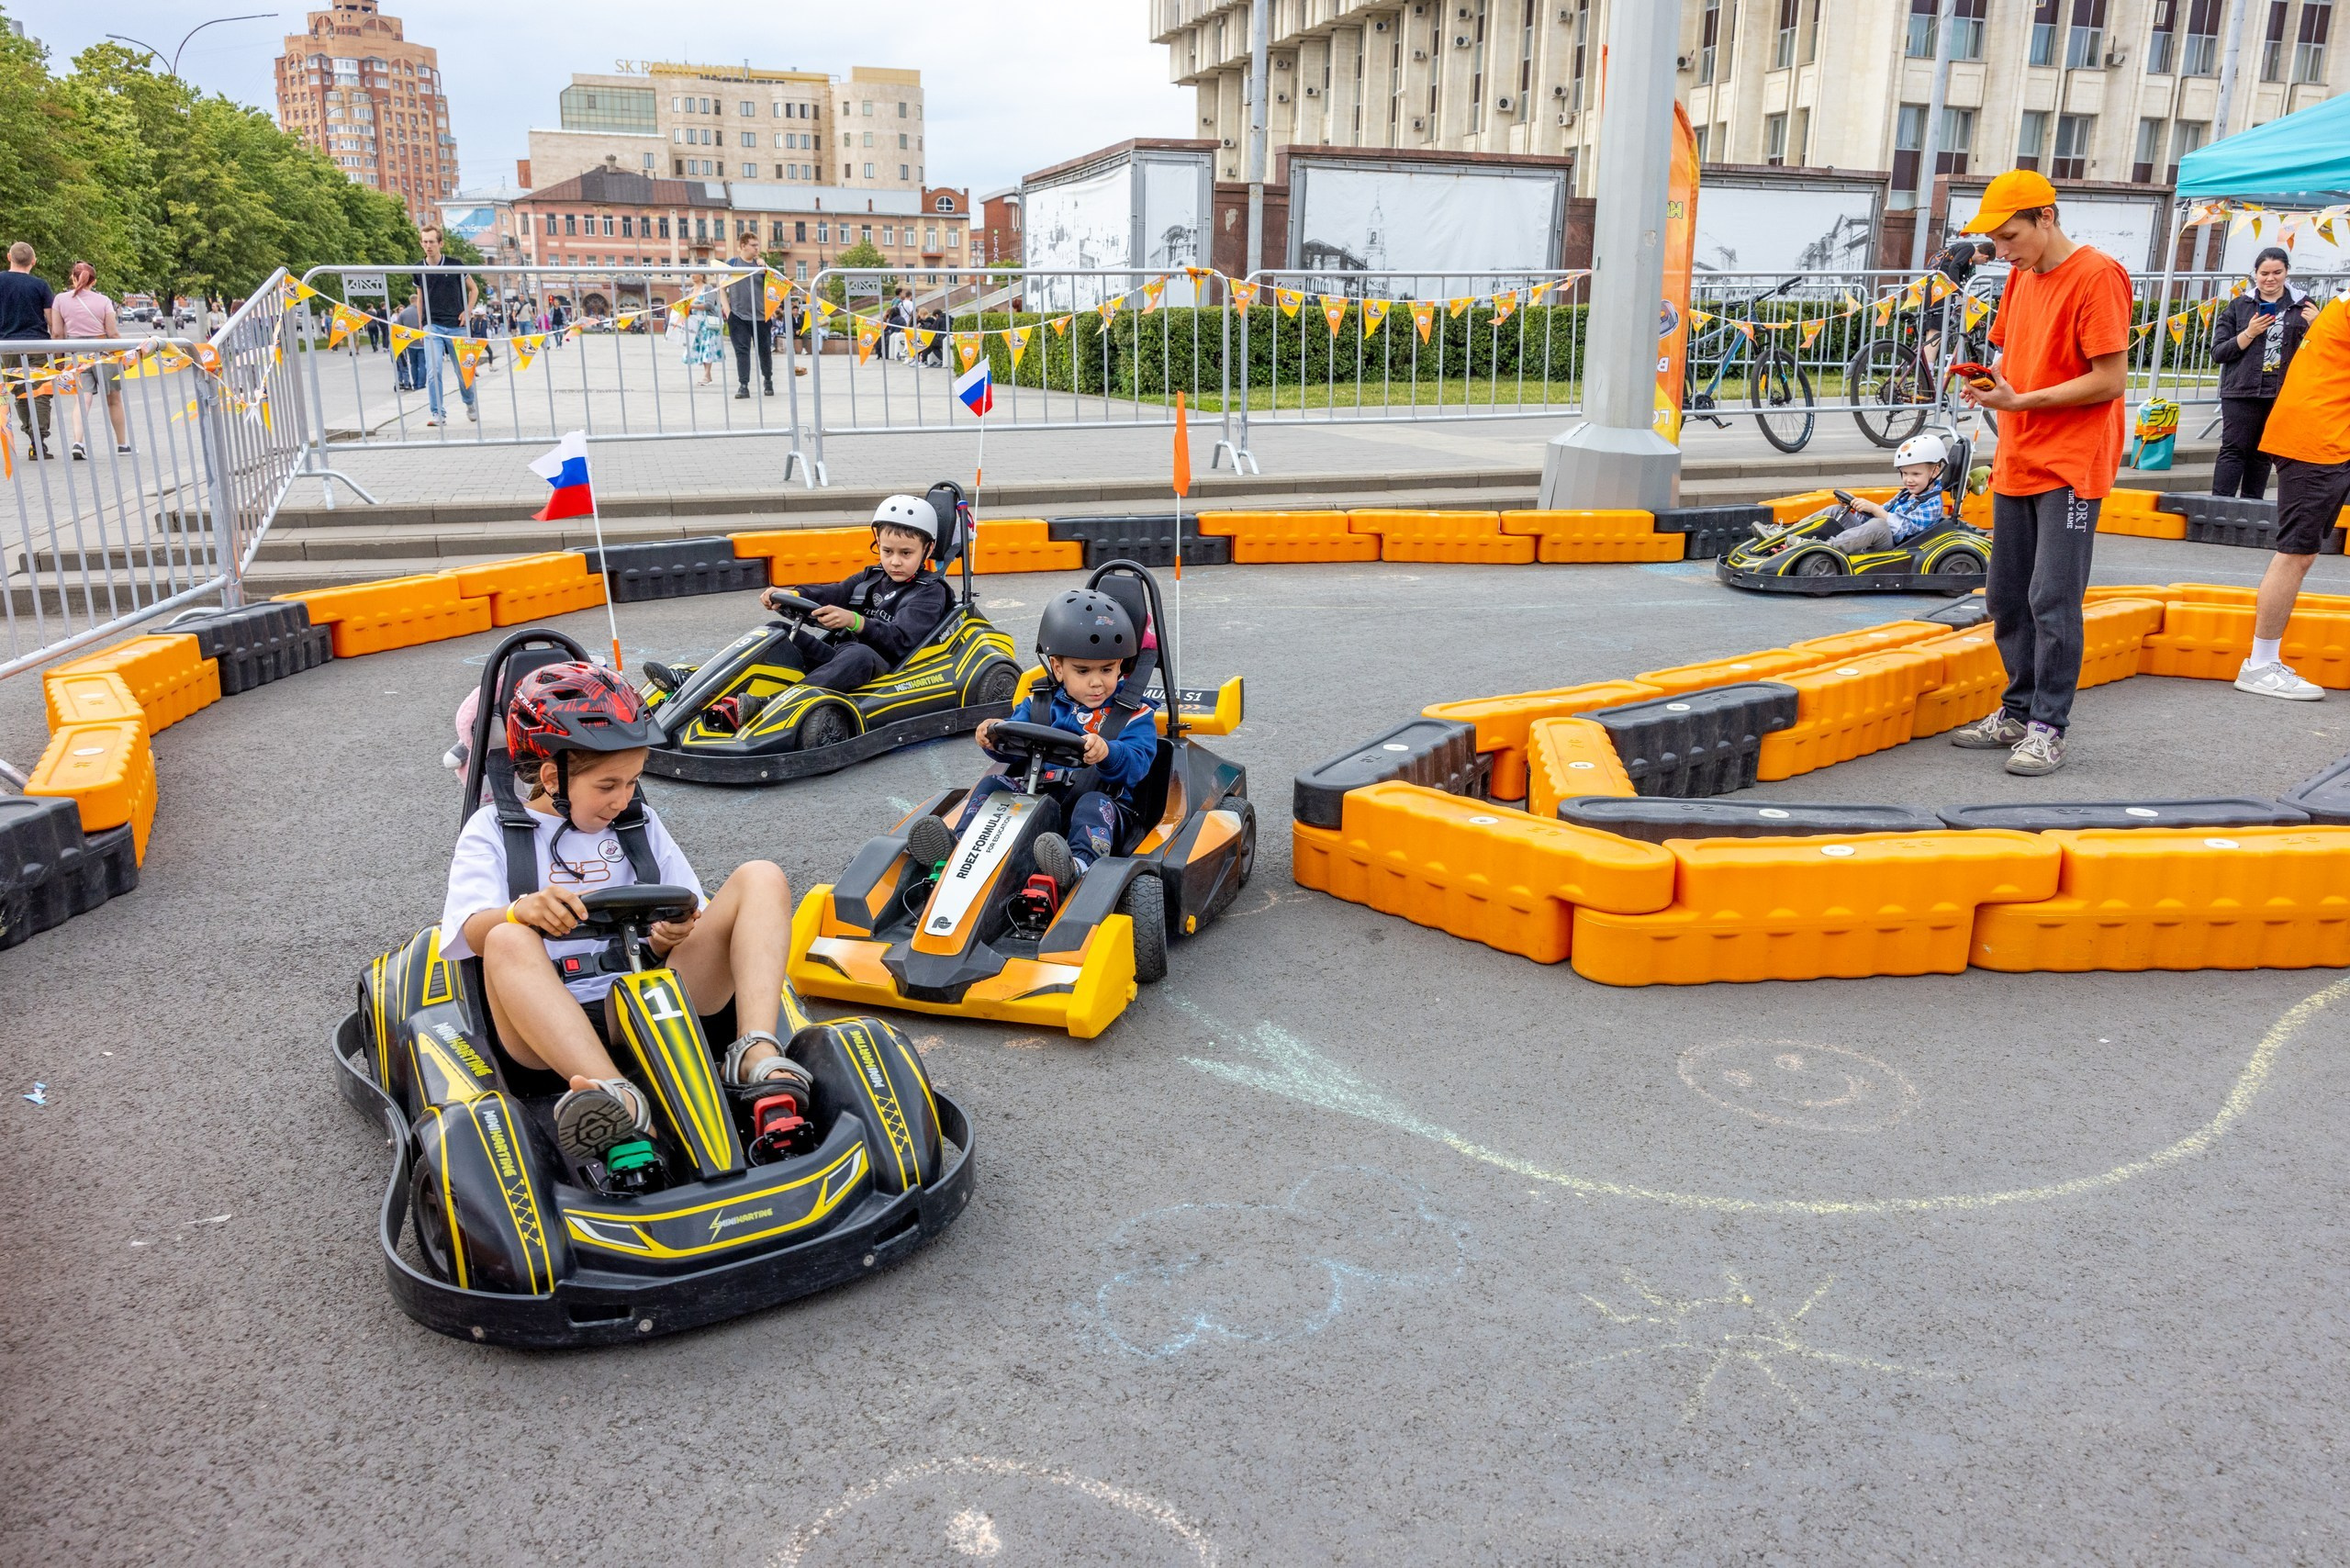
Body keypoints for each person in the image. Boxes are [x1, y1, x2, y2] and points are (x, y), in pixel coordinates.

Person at [438, 661, 809, 1182]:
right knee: (503, 936)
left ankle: (756, 1054)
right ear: (552, 777)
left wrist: (677, 929)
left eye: (633, 781)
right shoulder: (494, 831)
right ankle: (614, 1098)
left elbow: (689, 903)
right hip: (548, 1024)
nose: (624, 798)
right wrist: (520, 911)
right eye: (608, 784)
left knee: (761, 876)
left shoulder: (638, 823)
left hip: (651, 997)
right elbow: (467, 930)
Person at [1951, 171, 2132, 778]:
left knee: (2052, 598)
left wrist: (2022, 402)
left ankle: (2048, 728)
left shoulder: (2098, 274)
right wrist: (1992, 383)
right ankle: (2017, 711)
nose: (2001, 252)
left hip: (2072, 460)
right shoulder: (2023, 278)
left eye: (2009, 237)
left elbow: (2109, 380)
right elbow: (2010, 356)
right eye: (1996, 241)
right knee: (2006, 596)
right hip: (2021, 452)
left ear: (2046, 218)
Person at [918, 588, 1158, 921]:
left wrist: (1108, 752)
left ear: (1121, 666)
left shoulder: (1134, 714)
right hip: (1038, 796)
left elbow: (1137, 763)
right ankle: (960, 846)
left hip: (1105, 806)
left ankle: (1075, 866)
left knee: (1092, 806)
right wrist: (992, 735)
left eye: (1107, 670)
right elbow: (1013, 748)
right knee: (993, 786)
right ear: (1058, 668)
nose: (1097, 683)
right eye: (1083, 671)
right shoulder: (1040, 703)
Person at [2235, 289, 2350, 701]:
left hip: (2327, 433)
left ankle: (2264, 661)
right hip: (2316, 439)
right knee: (2296, 552)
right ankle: (2260, 663)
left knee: (2301, 552)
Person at [733, 493, 953, 700]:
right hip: (841, 656)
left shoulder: (930, 591)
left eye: (906, 553)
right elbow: (835, 593)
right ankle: (725, 690)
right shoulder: (873, 576)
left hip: (886, 670)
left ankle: (773, 704)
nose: (895, 561)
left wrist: (855, 621)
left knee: (860, 655)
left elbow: (901, 642)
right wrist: (792, 594)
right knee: (776, 630)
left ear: (928, 548)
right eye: (887, 551)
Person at [2208, 247, 2317, 500]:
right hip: (2241, 389)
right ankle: (2219, 504)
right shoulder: (2239, 305)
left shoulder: (2305, 305)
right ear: (2255, 274)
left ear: (2286, 272)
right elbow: (2219, 352)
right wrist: (2249, 333)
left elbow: (2318, 351)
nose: (2270, 279)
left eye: (2277, 272)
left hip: (2281, 391)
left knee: (2262, 452)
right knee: (2233, 449)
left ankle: (2252, 505)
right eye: (2264, 273)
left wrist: (2318, 326)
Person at [1761, 434, 1948, 556]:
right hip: (1877, 535)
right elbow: (1881, 512)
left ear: (1935, 471)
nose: (1909, 480)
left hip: (1896, 549)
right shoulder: (1906, 494)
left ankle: (1823, 549)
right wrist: (1857, 508)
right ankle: (1787, 532)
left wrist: (1874, 508)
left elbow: (1900, 529)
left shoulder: (1932, 504)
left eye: (1915, 474)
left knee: (1879, 524)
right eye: (1905, 474)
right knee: (1836, 510)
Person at [53, 261, 129, 459]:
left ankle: (78, 442)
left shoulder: (60, 300)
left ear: (73, 277)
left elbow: (57, 334)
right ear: (93, 281)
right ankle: (122, 445)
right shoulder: (103, 301)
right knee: (113, 399)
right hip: (104, 353)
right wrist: (122, 354)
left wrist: (59, 360)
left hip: (77, 353)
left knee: (82, 398)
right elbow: (112, 333)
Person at [414, 224, 478, 427]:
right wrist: (420, 324)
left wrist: (468, 311)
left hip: (457, 326)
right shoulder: (418, 268)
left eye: (432, 241)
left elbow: (474, 289)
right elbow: (420, 298)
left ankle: (469, 402)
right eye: (424, 242)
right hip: (433, 326)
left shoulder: (454, 264)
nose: (428, 246)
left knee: (463, 372)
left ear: (440, 243)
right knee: (434, 370)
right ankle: (438, 413)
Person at [1, 241, 60, 461]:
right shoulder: (40, 285)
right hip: (37, 345)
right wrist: (57, 344)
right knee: (40, 391)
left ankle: (32, 436)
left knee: (20, 392)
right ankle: (39, 439)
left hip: (8, 347)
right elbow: (51, 320)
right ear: (33, 262)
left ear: (9, 257)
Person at [723, 231, 775, 399]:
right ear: (743, 245)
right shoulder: (731, 264)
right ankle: (743, 385)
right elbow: (721, 288)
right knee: (742, 351)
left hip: (761, 316)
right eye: (753, 245)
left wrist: (765, 267)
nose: (756, 249)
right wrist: (728, 312)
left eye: (757, 245)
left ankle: (768, 379)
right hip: (738, 316)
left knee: (764, 351)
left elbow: (773, 289)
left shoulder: (761, 266)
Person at [681, 292, 722, 384]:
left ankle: (706, 375)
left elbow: (709, 305)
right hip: (696, 324)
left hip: (707, 323)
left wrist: (692, 306)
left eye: (694, 275)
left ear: (702, 276)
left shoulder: (708, 288)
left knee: (708, 348)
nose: (692, 276)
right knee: (702, 349)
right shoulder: (692, 290)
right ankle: (708, 375)